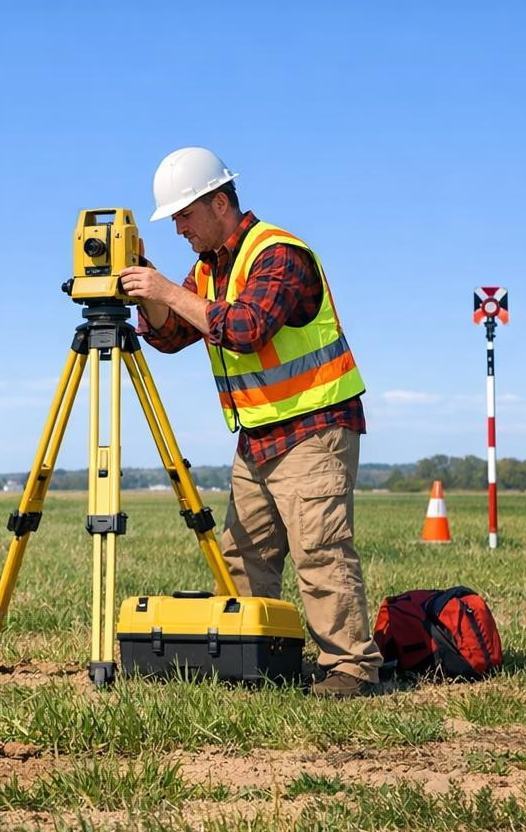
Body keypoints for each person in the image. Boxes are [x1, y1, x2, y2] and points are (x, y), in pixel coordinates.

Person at [118, 146, 384, 698]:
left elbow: (245, 329)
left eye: (185, 216)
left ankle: (351, 668)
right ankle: (257, 657)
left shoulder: (278, 254)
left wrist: (166, 290)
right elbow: (171, 335)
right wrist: (151, 288)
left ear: (219, 203)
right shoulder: (210, 268)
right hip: (259, 434)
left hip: (313, 425)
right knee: (244, 552)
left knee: (319, 550)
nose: (180, 230)